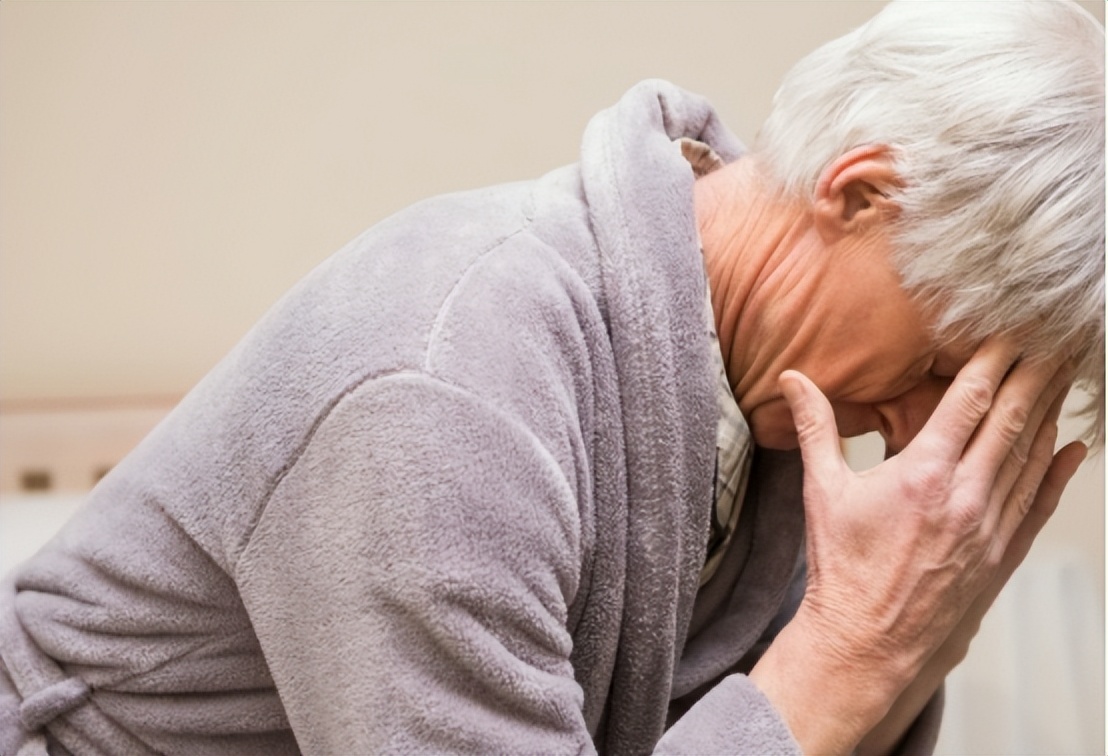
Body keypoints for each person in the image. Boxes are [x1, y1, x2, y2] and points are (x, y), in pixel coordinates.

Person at [1, 1, 1102, 753]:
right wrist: (859, 647)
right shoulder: (443, 386)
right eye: (939, 368)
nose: (920, 434)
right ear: (860, 193)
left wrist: (921, 627)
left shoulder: (763, 398)